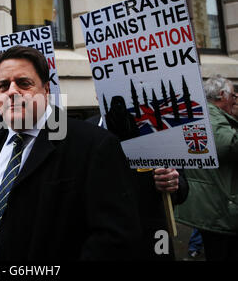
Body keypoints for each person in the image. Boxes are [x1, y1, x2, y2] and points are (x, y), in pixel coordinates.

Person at [0, 46, 142, 261]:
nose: (12, 91)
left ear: (46, 90)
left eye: (24, 83)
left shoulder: (93, 145)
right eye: (3, 85)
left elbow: (114, 240)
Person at [86, 113, 189, 260]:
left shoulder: (158, 127)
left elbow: (183, 188)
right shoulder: (88, 128)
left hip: (154, 236)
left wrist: (172, 183)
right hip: (105, 237)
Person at [176, 75, 238, 261]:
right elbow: (228, 145)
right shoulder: (210, 116)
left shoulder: (204, 113)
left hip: (212, 202)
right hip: (219, 205)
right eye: (234, 96)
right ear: (222, 95)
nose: (235, 100)